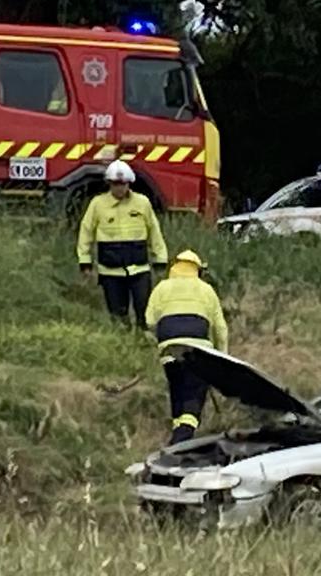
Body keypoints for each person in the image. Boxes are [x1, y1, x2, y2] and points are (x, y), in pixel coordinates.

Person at [145, 250, 229, 444]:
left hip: (168, 348)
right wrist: (222, 359)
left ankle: (180, 436)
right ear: (198, 270)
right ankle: (181, 439)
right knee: (193, 396)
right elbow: (220, 328)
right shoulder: (206, 289)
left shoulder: (162, 287)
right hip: (198, 350)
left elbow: (149, 320)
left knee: (178, 392)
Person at [77, 161, 168, 328]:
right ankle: (123, 345)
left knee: (144, 313)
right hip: (110, 272)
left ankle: (143, 341)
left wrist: (160, 259)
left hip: (139, 269)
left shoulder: (142, 203)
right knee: (118, 317)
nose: (119, 188)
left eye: (123, 184)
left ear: (129, 183)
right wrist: (85, 261)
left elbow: (154, 231)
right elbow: (86, 232)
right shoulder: (98, 204)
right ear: (109, 184)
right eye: (115, 184)